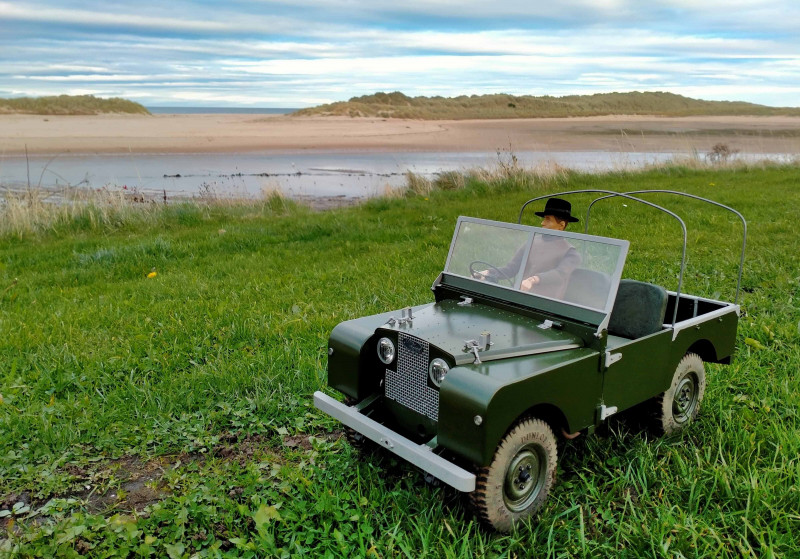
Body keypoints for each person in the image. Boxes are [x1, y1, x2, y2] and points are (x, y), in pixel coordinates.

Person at [476, 198, 581, 299]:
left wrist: (533, 280)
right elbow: (511, 269)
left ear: (561, 225)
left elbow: (560, 274)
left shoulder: (570, 253)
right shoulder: (532, 242)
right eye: (544, 218)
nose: (542, 223)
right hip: (519, 297)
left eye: (548, 219)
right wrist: (488, 273)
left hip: (546, 305)